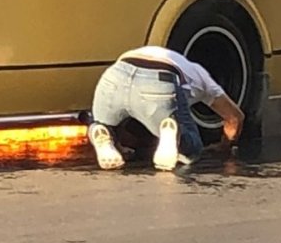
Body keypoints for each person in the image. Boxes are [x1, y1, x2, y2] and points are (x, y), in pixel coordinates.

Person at [87, 46, 244, 172]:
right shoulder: (203, 79)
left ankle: (104, 133)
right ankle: (173, 134)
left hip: (115, 74)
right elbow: (234, 117)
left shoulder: (154, 52)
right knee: (194, 148)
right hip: (158, 79)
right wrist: (224, 146)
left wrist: (121, 146)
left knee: (103, 122)